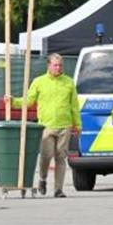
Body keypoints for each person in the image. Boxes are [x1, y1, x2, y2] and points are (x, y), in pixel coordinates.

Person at [6, 53, 81, 198]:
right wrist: (14, 101)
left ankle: (58, 189)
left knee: (61, 157)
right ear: (48, 65)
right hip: (46, 126)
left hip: (64, 125)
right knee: (46, 156)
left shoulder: (69, 82)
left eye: (60, 65)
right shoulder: (39, 82)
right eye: (55, 65)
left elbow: (74, 106)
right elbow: (29, 101)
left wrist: (77, 125)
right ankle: (42, 179)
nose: (58, 68)